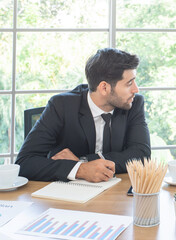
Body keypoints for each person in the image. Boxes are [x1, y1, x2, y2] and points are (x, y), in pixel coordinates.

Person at [16, 48, 151, 182]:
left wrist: (84, 162)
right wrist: (81, 170)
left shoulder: (133, 103)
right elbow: (24, 163)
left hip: (114, 193)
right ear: (104, 88)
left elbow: (141, 156)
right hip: (68, 196)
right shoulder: (61, 105)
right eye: (129, 83)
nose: (136, 89)